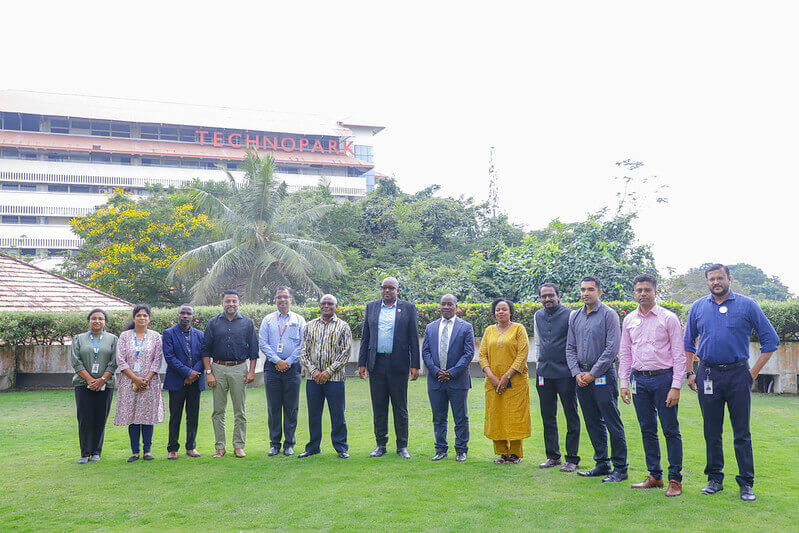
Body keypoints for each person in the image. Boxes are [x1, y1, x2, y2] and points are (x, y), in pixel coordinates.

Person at [684, 263, 780, 502]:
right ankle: (715, 479)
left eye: (719, 278)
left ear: (729, 278)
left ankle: (746, 483)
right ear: (707, 282)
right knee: (711, 430)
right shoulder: (698, 307)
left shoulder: (748, 305)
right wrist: (690, 372)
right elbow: (688, 344)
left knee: (742, 432)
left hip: (739, 374)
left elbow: (771, 341)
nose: (716, 282)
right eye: (711, 279)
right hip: (707, 374)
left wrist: (752, 373)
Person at [619, 274, 685, 497]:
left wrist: (676, 386)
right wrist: (624, 383)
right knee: (647, 429)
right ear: (634, 293)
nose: (643, 293)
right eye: (639, 290)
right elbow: (625, 353)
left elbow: (678, 354)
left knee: (670, 430)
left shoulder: (668, 318)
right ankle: (655, 476)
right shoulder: (629, 320)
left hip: (663, 380)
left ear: (655, 292)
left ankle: (675, 479)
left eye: (647, 289)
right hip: (639, 381)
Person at [566, 276, 627, 482]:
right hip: (581, 377)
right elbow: (570, 347)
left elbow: (611, 349)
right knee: (592, 422)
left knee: (612, 422)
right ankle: (602, 463)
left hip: (603, 376)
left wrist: (593, 374)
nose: (585, 293)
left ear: (599, 292)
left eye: (590, 289)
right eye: (583, 289)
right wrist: (577, 373)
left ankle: (620, 468)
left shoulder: (609, 315)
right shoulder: (575, 316)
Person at [358, 276, 420, 459]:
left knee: (400, 407)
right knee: (379, 406)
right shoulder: (372, 307)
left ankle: (402, 446)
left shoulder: (407, 308)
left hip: (399, 364)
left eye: (391, 288)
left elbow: (413, 338)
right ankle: (380, 445)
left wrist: (415, 364)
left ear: (397, 290)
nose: (387, 291)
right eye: (384, 287)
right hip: (377, 364)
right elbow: (365, 337)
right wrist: (362, 363)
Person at [201, 290, 259, 458]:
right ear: (222, 303)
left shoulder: (247, 323)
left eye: (234, 301)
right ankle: (220, 447)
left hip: (239, 368)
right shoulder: (213, 323)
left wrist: (251, 371)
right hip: (217, 368)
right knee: (218, 411)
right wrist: (209, 372)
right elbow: (205, 350)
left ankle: (239, 446)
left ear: (239, 303)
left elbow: (254, 350)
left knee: (239, 411)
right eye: (228, 301)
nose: (231, 304)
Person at [421, 294, 475, 462]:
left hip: (457, 380)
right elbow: (426, 352)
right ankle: (440, 449)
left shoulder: (465, 327)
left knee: (460, 417)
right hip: (435, 380)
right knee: (438, 417)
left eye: (449, 304)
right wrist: (436, 371)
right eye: (443, 304)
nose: (446, 307)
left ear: (455, 306)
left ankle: (461, 450)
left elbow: (468, 353)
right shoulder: (431, 327)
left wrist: (451, 372)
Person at [298, 294, 353, 459]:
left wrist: (328, 371)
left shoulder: (343, 326)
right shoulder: (309, 326)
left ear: (336, 307)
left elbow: (346, 353)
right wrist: (314, 371)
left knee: (337, 414)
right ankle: (313, 447)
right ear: (320, 306)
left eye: (330, 304)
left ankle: (341, 448)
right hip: (312, 379)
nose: (327, 306)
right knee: (314, 414)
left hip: (334, 379)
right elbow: (303, 352)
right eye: (324, 303)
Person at [534, 283, 581, 472]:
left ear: (558, 296)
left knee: (571, 415)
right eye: (543, 296)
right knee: (548, 416)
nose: (547, 299)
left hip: (566, 373)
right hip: (544, 373)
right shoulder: (538, 315)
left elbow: (574, 343)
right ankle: (552, 456)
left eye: (550, 295)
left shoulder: (570, 315)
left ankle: (572, 459)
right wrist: (538, 366)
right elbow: (539, 342)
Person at [479, 299, 531, 464]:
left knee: (515, 415)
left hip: (515, 381)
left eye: (504, 309)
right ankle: (502, 453)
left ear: (510, 312)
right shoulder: (489, 331)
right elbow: (482, 355)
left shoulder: (519, 329)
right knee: (497, 415)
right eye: (497, 309)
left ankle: (515, 454)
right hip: (493, 382)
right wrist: (492, 376)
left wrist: (507, 375)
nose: (500, 312)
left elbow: (522, 355)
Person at [114, 304, 165, 462]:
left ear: (149, 318)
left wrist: (146, 379)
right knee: (133, 416)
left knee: (147, 416)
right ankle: (135, 451)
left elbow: (157, 360)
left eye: (145, 315)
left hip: (149, 383)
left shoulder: (156, 336)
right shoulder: (125, 336)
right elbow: (120, 360)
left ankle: (147, 451)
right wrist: (135, 378)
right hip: (129, 382)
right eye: (139, 315)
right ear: (133, 317)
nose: (142, 318)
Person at [259, 286, 306, 457]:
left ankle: (289, 444)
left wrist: (288, 361)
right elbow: (263, 343)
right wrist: (277, 360)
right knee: (274, 408)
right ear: (275, 300)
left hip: (292, 368)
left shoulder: (299, 320)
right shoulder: (268, 320)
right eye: (279, 297)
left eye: (285, 297)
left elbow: (303, 344)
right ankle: (274, 444)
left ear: (290, 299)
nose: (282, 300)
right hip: (272, 368)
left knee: (291, 408)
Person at [70, 308, 118, 464]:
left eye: (101, 319)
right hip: (83, 384)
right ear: (88, 321)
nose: (97, 321)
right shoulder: (79, 339)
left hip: (106, 384)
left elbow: (114, 361)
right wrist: (90, 379)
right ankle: (84, 453)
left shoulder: (112, 339)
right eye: (94, 318)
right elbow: (76, 361)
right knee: (84, 418)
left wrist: (102, 380)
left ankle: (96, 451)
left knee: (100, 417)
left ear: (105, 322)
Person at [162, 304, 205, 459]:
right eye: (183, 313)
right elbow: (170, 357)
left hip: (195, 381)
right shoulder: (169, 333)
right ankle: (172, 449)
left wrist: (194, 374)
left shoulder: (200, 335)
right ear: (178, 315)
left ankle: (191, 447)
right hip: (177, 381)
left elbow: (203, 356)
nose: (185, 316)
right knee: (175, 416)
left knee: (193, 416)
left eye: (189, 313)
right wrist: (187, 373)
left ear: (193, 316)